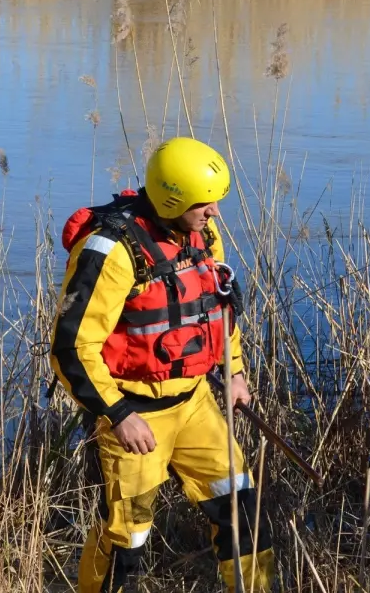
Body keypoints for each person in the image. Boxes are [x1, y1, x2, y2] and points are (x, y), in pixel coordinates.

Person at [51, 137, 274, 593]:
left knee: (241, 507)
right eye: (203, 203)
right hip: (134, 411)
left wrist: (233, 371)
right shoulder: (110, 252)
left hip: (195, 402)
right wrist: (117, 414)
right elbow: (72, 347)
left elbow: (217, 307)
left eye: (215, 202)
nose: (214, 212)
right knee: (126, 536)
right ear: (173, 199)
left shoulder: (202, 235)